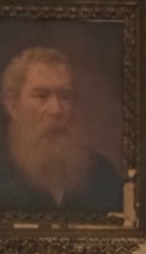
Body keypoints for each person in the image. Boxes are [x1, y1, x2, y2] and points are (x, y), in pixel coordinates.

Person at [0, 46, 122, 213]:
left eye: (65, 96)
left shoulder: (102, 174)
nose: (56, 110)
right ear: (12, 105)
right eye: (41, 96)